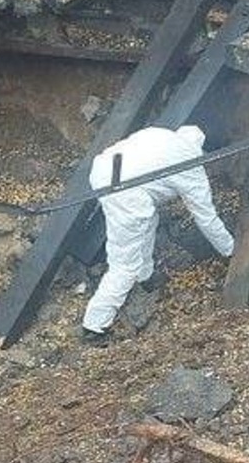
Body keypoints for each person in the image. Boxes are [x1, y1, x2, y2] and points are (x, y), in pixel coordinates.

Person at [83, 125, 234, 343]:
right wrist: (231, 250)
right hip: (126, 192)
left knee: (147, 219)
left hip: (105, 170)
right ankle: (94, 326)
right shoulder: (191, 166)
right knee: (125, 264)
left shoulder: (162, 134)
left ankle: (146, 276)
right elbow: (206, 218)